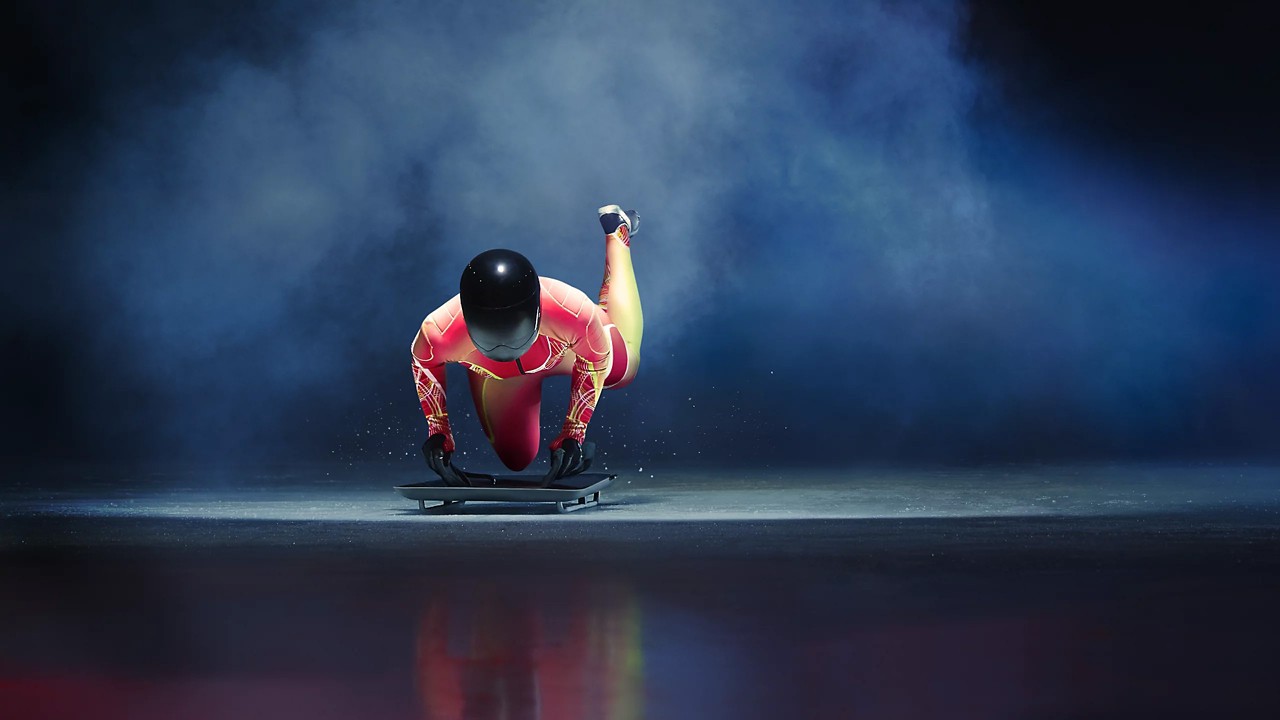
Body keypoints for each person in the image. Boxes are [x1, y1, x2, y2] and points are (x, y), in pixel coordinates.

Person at [411, 205, 642, 485]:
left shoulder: (573, 311)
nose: (506, 348)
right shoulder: (438, 331)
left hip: (565, 349)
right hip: (500, 375)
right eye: (492, 337)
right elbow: (424, 364)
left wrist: (575, 430)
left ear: (537, 313)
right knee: (516, 457)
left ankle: (617, 235)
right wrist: (438, 432)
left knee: (622, 369)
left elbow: (595, 361)